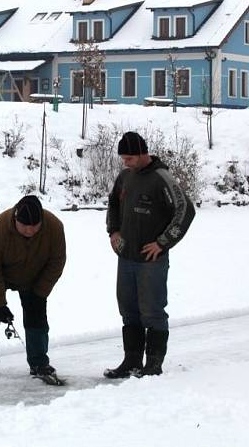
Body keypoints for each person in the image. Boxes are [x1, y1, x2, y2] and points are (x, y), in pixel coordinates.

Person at [104, 131, 195, 378]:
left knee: (152, 310)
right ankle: (131, 360)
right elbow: (113, 203)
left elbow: (185, 210)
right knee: (128, 310)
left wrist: (162, 242)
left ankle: (153, 364)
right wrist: (113, 232)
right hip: (126, 256)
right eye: (123, 158)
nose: (125, 163)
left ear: (143, 154)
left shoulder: (161, 178)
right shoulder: (125, 177)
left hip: (151, 259)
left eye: (130, 158)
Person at [0, 195, 67, 380]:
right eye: (25, 226)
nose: (30, 230)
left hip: (34, 277)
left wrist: (40, 293)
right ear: (15, 219)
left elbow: (57, 262)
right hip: (0, 276)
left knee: (36, 316)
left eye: (35, 226)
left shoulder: (54, 227)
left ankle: (39, 362)